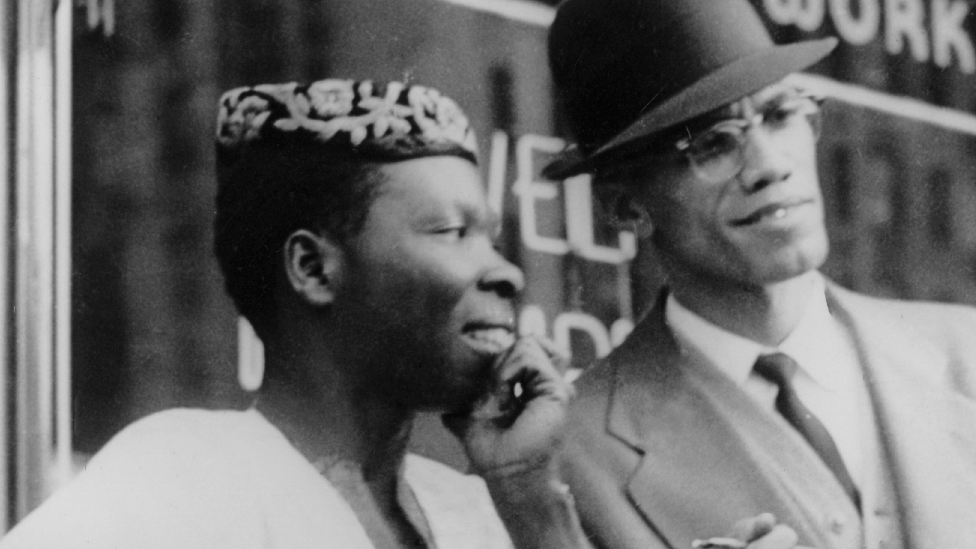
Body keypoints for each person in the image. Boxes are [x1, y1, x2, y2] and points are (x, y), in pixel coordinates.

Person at [0, 77, 794, 549]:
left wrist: (529, 493)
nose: (507, 271)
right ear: (313, 268)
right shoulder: (179, 479)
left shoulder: (477, 515)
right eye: (451, 232)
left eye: (492, 235)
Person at [543, 1, 976, 549]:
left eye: (780, 114)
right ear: (626, 206)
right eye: (713, 144)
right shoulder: (572, 464)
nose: (771, 165)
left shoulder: (967, 356)